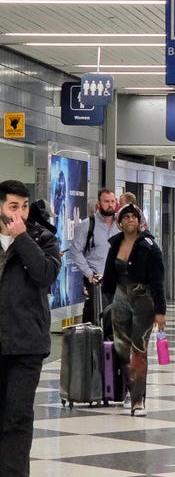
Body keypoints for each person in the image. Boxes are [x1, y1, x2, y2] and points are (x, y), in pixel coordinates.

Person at [0, 180, 61, 477]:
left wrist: (23, 239)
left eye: (24, 207)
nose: (20, 213)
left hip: (26, 345)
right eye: (13, 207)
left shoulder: (44, 238)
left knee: (18, 418)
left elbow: (44, 274)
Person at [101, 204, 166, 417]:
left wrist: (160, 311)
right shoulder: (115, 243)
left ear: (139, 221)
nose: (130, 220)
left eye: (134, 217)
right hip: (120, 297)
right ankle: (131, 388)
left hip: (143, 299)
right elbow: (109, 272)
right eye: (126, 217)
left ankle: (138, 401)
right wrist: (108, 296)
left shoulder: (149, 245)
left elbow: (158, 280)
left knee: (139, 350)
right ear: (120, 223)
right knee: (121, 348)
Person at [70, 188, 119, 324]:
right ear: (99, 203)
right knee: (99, 316)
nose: (110, 204)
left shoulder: (120, 225)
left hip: (117, 280)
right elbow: (75, 250)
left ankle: (114, 343)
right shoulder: (87, 224)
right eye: (106, 201)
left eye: (112, 201)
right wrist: (89, 274)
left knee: (117, 317)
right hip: (97, 280)